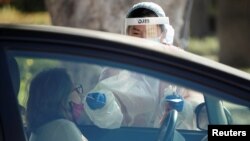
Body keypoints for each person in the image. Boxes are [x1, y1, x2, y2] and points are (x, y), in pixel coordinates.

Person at [83, 2, 202, 130]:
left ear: (163, 34)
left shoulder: (178, 62)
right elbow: (107, 119)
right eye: (136, 33)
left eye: (150, 31)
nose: (144, 38)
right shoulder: (115, 66)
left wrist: (184, 108)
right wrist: (102, 107)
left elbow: (199, 105)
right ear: (126, 34)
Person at [26, 68, 88, 141]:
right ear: (64, 96)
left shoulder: (44, 129)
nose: (81, 95)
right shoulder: (64, 128)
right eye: (75, 89)